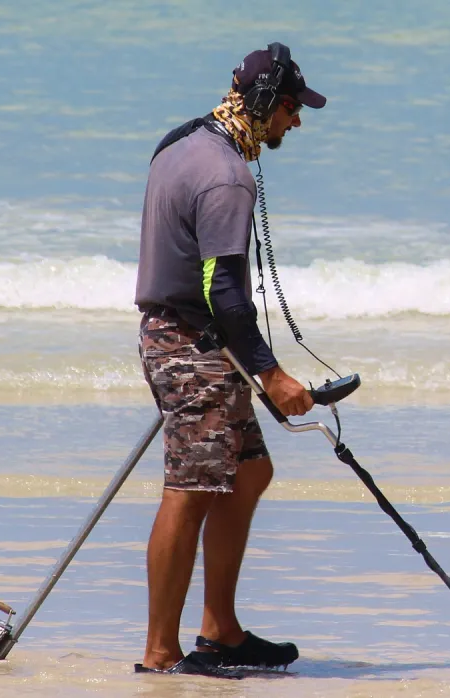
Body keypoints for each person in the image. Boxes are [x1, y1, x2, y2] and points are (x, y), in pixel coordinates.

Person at [132, 43, 325, 678]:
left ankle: (221, 632)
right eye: (291, 108)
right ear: (267, 103)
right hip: (191, 346)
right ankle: (160, 654)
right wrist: (272, 374)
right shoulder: (227, 177)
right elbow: (224, 291)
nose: (296, 121)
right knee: (190, 490)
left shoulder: (179, 142)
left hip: (188, 336)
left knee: (249, 472)